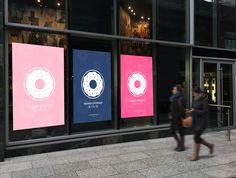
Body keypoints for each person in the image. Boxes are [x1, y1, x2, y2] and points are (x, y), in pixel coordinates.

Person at [187, 87, 214, 161]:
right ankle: (210, 146)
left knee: (196, 138)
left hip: (201, 122)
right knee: (197, 138)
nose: (192, 94)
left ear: (197, 92)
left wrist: (195, 111)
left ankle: (196, 156)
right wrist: (190, 111)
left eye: (193, 92)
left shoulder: (204, 99)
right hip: (196, 121)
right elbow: (194, 108)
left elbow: (205, 111)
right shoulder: (195, 98)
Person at [169, 84, 185, 152]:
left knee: (180, 131)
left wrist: (179, 117)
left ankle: (181, 146)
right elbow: (173, 107)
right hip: (173, 117)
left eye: (174, 89)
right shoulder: (173, 98)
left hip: (178, 117)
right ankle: (180, 144)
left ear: (177, 90)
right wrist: (170, 114)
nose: (173, 90)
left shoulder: (180, 98)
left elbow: (181, 109)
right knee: (173, 131)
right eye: (173, 89)